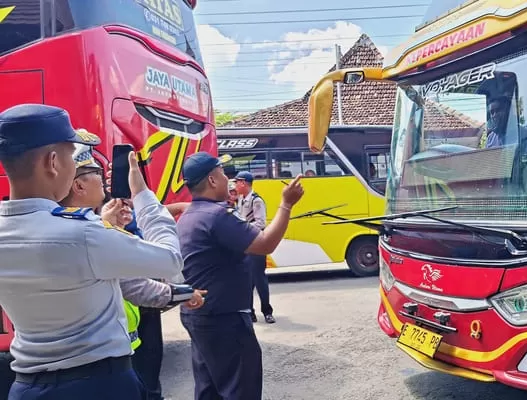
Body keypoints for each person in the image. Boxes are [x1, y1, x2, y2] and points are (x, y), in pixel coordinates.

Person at [0, 103, 183, 399]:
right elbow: (170, 260)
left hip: (26, 387)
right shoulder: (84, 232)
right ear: (52, 162)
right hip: (99, 385)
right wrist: (142, 196)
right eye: (72, 156)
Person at [61, 142, 206, 400]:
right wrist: (141, 192)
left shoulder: (55, 227)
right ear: (79, 185)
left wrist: (111, 225)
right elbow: (166, 261)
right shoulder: (95, 235)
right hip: (104, 363)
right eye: (96, 171)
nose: (104, 180)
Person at [176, 152, 304, 400]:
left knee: (209, 388)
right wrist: (286, 204)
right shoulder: (217, 215)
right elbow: (265, 243)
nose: (229, 180)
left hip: (201, 316)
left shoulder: (191, 215)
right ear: (212, 180)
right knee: (240, 389)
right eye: (224, 174)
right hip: (224, 319)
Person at [234, 171, 275, 324]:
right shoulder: (240, 199)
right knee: (247, 280)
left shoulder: (256, 201)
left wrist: (241, 227)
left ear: (244, 183)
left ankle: (267, 312)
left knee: (259, 279)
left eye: (237, 182)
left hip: (256, 244)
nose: (235, 185)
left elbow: (260, 224)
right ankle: (250, 312)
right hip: (245, 245)